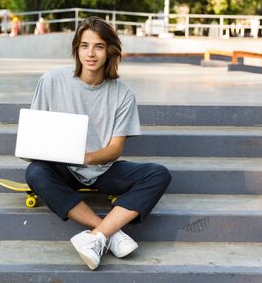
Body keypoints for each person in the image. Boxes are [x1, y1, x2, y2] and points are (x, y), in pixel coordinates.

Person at [25, 16, 171, 270]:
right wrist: (52, 150)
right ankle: (107, 233)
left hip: (102, 168)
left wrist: (87, 157)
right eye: (84, 45)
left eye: (98, 46)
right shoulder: (51, 81)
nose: (90, 54)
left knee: (158, 174)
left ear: (110, 51)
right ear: (76, 49)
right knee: (35, 172)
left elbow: (115, 149)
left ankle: (95, 238)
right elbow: (36, 134)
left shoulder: (123, 93)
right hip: (62, 167)